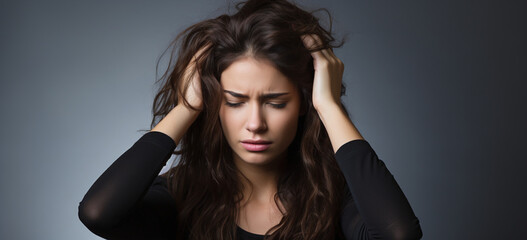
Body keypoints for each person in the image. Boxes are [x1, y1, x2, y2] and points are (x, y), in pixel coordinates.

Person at [78, 0, 423, 239]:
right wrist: (186, 106)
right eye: (235, 101)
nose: (255, 123)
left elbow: (398, 233)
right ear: (215, 104)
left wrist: (329, 105)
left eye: (275, 102)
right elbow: (98, 214)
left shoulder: (336, 196)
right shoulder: (183, 195)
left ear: (303, 104)